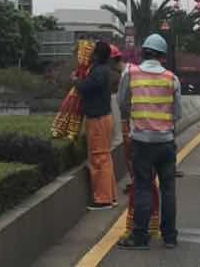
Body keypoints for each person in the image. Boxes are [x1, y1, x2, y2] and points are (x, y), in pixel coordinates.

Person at [117, 33, 181, 251]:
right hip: (166, 142)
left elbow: (122, 103)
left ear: (143, 52)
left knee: (143, 187)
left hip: (141, 142)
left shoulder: (130, 73)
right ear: (163, 57)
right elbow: (177, 113)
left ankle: (140, 237)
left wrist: (136, 118)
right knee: (168, 189)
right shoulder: (172, 78)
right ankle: (170, 237)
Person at [73, 40, 118, 210]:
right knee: (104, 158)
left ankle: (102, 200)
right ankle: (109, 196)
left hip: (98, 120)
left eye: (92, 51)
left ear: (97, 55)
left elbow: (86, 87)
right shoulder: (102, 70)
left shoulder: (98, 71)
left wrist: (75, 81)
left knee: (99, 159)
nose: (89, 54)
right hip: (103, 118)